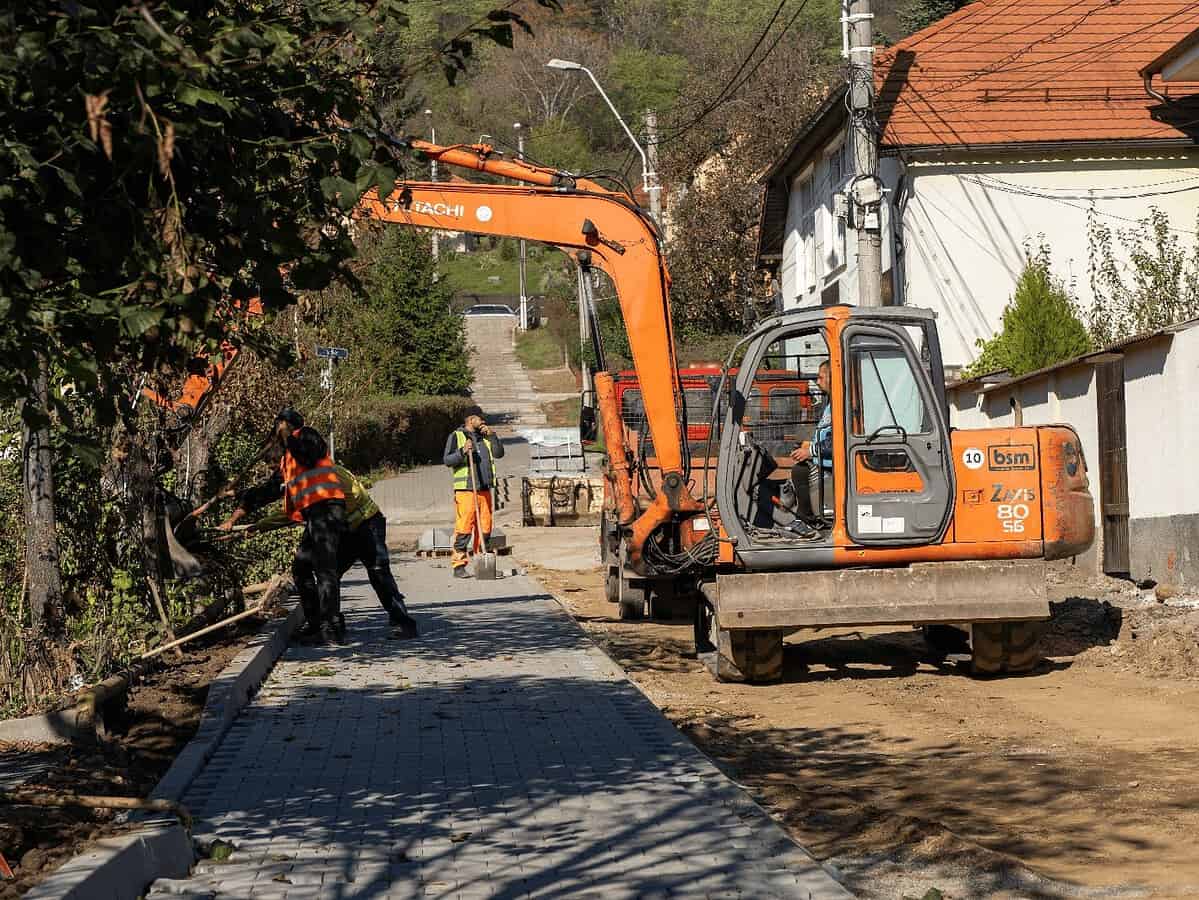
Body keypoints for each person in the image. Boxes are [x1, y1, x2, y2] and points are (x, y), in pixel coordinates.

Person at [250, 462, 419, 639]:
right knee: (329, 574)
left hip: (366, 524)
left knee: (379, 573)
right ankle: (328, 626)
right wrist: (259, 526)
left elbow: (303, 511)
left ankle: (404, 623)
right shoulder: (309, 478)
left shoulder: (326, 475)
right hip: (345, 529)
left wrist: (261, 526)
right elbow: (296, 510)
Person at [219, 409, 347, 643]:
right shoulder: (287, 460)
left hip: (327, 509)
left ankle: (330, 629)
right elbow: (267, 492)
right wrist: (233, 518)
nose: (276, 433)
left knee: (325, 570)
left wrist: (288, 436)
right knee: (301, 568)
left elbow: (307, 456)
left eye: (279, 427)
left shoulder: (307, 436)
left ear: (285, 425)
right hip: (315, 516)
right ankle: (318, 623)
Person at [443, 411, 505, 578]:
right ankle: (459, 565)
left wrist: (493, 436)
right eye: (480, 419)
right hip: (466, 490)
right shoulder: (456, 436)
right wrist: (463, 451)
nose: (483, 421)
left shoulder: (485, 437)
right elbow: (447, 460)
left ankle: (482, 562)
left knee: (485, 528)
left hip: (485, 489)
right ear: (470, 420)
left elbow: (499, 453)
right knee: (464, 528)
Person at [787, 361, 834, 528]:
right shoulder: (829, 404)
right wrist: (809, 444)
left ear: (832, 377)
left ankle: (806, 519)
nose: (818, 381)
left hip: (833, 464)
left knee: (800, 471)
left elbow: (837, 441)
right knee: (800, 468)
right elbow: (825, 432)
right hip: (823, 456)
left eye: (821, 377)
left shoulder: (841, 404)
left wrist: (811, 451)